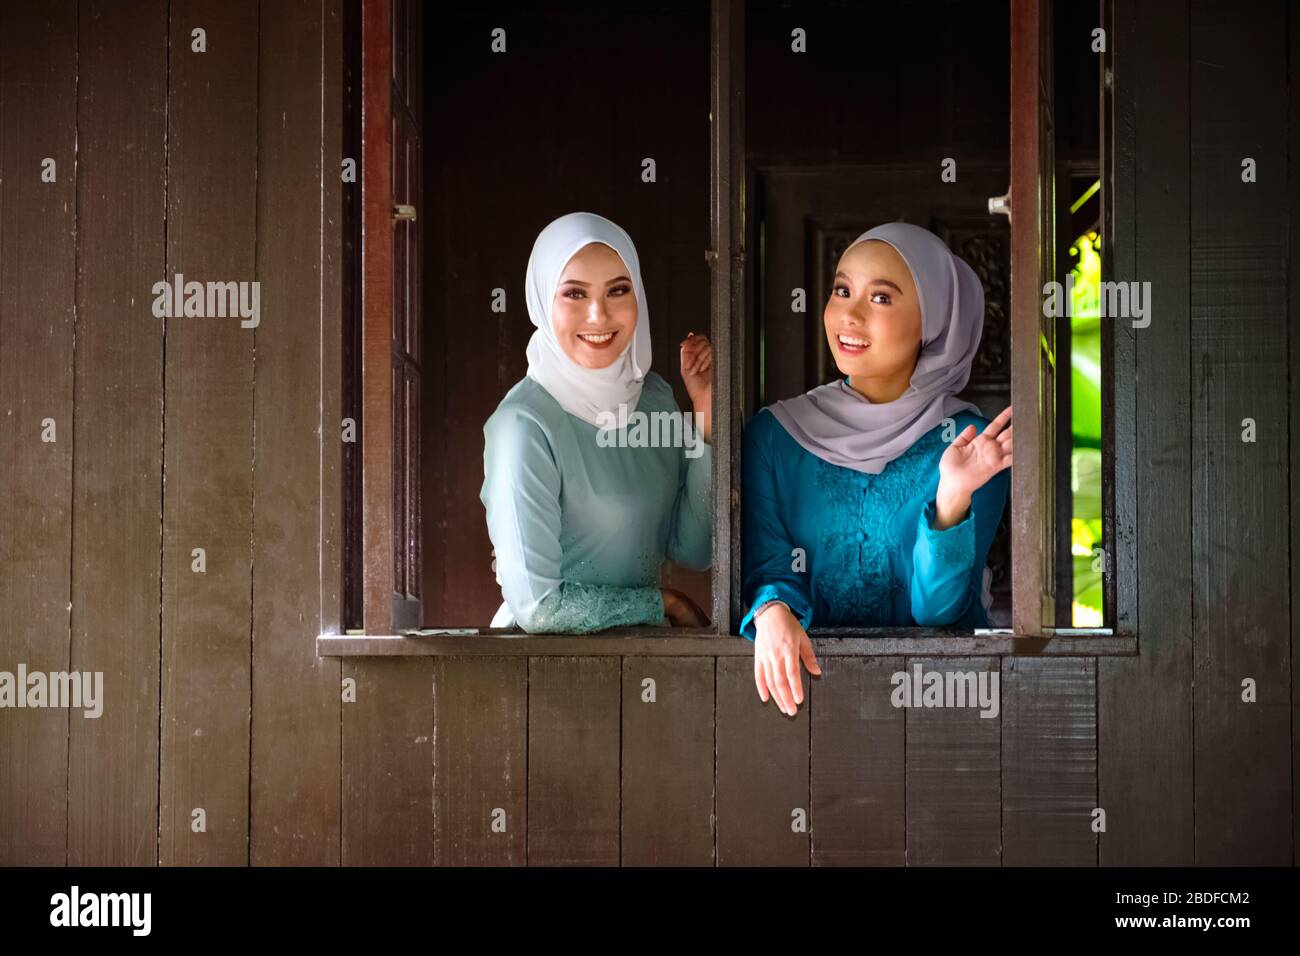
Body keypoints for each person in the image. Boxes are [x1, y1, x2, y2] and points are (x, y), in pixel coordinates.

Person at [742, 221, 1011, 714]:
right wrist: (771, 610)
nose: (849, 314)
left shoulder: (972, 444)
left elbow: (937, 614)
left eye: (881, 298)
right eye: (842, 290)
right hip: (803, 699)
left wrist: (952, 497)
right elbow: (767, 568)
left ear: (933, 322)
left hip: (940, 700)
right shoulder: (774, 435)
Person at [481, 211, 713, 633]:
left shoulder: (655, 399)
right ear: (542, 301)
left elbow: (695, 549)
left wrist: (705, 413)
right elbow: (539, 608)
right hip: (538, 668)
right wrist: (662, 603)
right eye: (574, 293)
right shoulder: (523, 426)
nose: (598, 315)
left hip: (646, 659)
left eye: (618, 290)